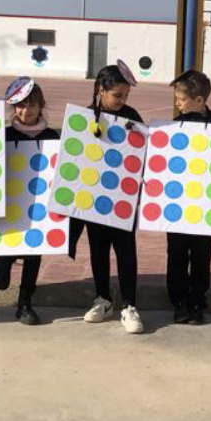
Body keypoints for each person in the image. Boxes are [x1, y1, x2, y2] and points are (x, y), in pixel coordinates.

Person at [81, 61, 145, 334]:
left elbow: (143, 154)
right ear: (100, 90)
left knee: (125, 250)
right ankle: (102, 299)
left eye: (126, 95)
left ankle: (129, 305)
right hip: (93, 198)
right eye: (117, 95)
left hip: (123, 200)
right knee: (98, 249)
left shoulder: (132, 117)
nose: (122, 101)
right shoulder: (84, 118)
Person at [0, 77, 59, 325]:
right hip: (10, 203)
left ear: (41, 106)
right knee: (1, 279)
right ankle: (4, 259)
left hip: (39, 206)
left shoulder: (51, 136)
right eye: (20, 105)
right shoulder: (4, 135)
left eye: (31, 105)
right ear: (13, 108)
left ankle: (25, 302)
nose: (26, 110)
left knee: (34, 252)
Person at [166, 69, 211, 325]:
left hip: (206, 204)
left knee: (202, 255)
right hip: (178, 204)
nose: (177, 103)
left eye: (181, 99)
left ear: (199, 100)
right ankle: (179, 301)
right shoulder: (173, 126)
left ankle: (198, 300)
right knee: (177, 254)